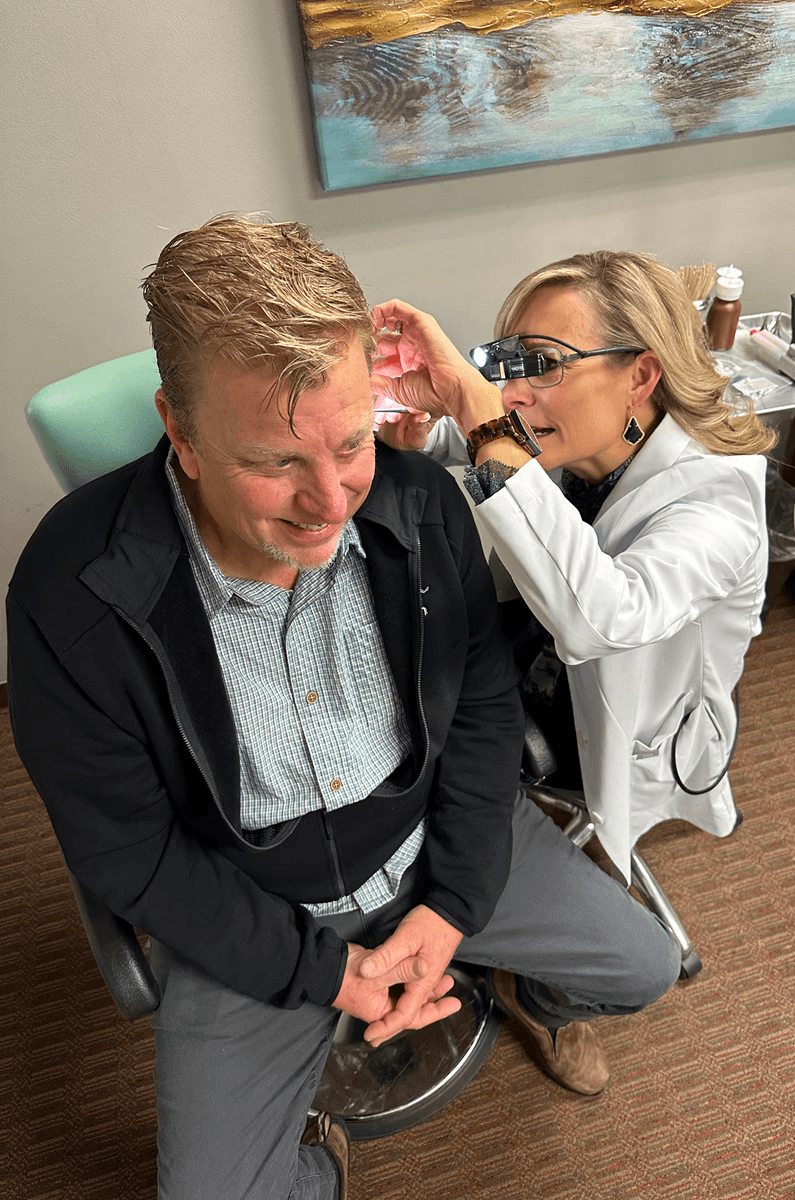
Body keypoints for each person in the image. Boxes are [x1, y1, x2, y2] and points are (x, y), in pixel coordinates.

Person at [7, 223, 681, 1200]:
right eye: (275, 462)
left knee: (643, 969)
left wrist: (452, 906)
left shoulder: (420, 503)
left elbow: (484, 706)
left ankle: (531, 993)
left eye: (351, 442)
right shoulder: (71, 592)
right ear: (181, 434)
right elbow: (131, 854)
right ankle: (314, 1158)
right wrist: (323, 975)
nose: (329, 501)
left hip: (428, 845)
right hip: (248, 900)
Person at [372, 250, 775, 886]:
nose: (512, 394)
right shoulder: (583, 432)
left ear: (641, 376)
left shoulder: (717, 497)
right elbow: (487, 441)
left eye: (542, 367)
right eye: (508, 367)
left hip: (614, 714)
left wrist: (478, 412)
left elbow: (603, 621)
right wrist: (423, 422)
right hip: (532, 643)